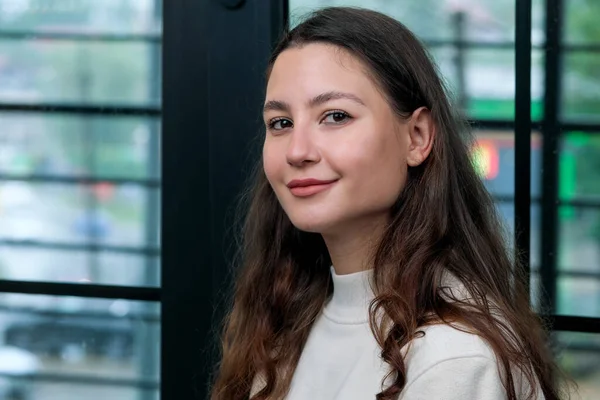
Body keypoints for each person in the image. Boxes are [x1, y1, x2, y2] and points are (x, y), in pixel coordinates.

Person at [211, 6, 566, 400]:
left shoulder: (453, 358)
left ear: (416, 137)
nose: (298, 150)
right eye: (280, 123)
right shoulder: (285, 321)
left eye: (335, 116)